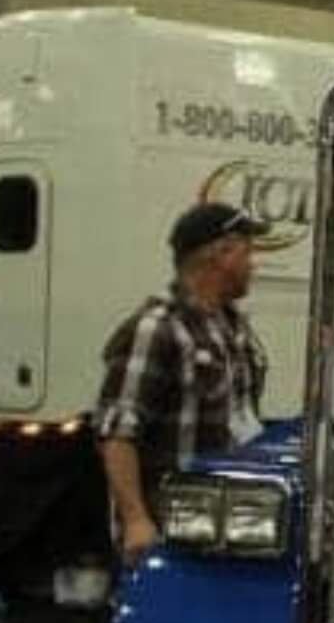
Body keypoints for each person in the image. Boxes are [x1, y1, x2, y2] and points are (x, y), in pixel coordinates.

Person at [95, 204, 270, 568]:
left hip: (223, 529)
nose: (254, 264)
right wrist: (136, 520)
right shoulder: (157, 328)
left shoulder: (231, 329)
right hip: (170, 531)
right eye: (247, 251)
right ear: (219, 255)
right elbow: (117, 433)